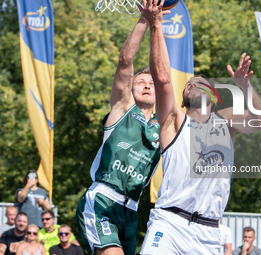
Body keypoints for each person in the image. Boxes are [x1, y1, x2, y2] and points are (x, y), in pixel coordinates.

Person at [140, 0, 261, 254]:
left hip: (209, 234)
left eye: (202, 82)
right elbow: (162, 77)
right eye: (190, 84)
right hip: (170, 224)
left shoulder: (225, 121)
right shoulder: (174, 121)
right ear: (185, 97)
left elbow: (260, 121)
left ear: (212, 95)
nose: (195, 83)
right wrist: (156, 24)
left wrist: (245, 86)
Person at [75, 6, 161, 255]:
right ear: (131, 90)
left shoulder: (163, 127)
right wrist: (146, 18)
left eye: (151, 83)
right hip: (103, 200)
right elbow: (125, 61)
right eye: (140, 82)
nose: (146, 85)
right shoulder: (123, 109)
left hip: (131, 211)